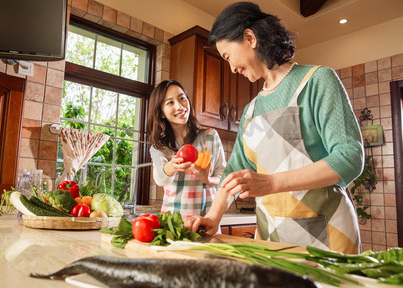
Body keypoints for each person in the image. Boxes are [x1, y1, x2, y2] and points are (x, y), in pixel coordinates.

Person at [185, 2, 364, 254]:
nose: (231, 68)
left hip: (328, 235)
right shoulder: (250, 110)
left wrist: (270, 183)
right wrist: (214, 218)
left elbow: (349, 158)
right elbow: (233, 173)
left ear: (249, 38)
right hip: (271, 238)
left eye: (228, 56)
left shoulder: (317, 80)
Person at [147, 80, 226, 218]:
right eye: (170, 102)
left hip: (207, 220)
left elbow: (224, 177)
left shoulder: (210, 136)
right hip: (173, 223)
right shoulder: (158, 146)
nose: (180, 107)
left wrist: (207, 179)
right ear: (161, 113)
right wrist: (172, 166)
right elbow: (160, 179)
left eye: (182, 98)